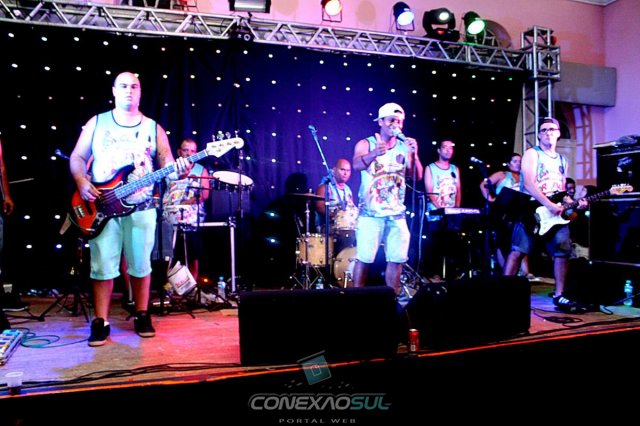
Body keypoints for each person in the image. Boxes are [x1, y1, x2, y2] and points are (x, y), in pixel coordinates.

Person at [70, 71, 190, 346]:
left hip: (142, 206)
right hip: (103, 205)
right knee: (102, 266)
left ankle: (142, 314)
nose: (128, 90)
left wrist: (180, 171)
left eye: (134, 86)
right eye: (123, 86)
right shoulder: (97, 122)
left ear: (140, 92)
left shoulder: (153, 128)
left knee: (141, 264)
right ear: (114, 91)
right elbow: (77, 156)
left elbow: (167, 165)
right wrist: (81, 181)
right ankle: (101, 321)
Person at [503, 118, 587, 313]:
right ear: (539, 135)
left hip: (554, 214)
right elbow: (529, 184)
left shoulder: (562, 160)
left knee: (562, 249)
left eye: (552, 129)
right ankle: (503, 292)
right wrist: (548, 204)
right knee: (518, 250)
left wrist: (574, 203)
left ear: (558, 133)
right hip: (532, 209)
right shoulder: (532, 154)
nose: (548, 132)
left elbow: (561, 190)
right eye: (544, 130)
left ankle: (560, 294)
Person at [351, 102, 423, 296]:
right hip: (371, 213)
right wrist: (375, 153)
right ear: (380, 121)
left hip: (396, 213)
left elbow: (416, 176)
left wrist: (414, 154)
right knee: (364, 258)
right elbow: (356, 165)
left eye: (399, 121)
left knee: (397, 259)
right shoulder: (366, 143)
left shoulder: (404, 147)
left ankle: (393, 299)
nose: (396, 125)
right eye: (392, 120)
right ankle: (355, 299)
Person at [162, 138, 210, 282]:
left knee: (192, 254)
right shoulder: (170, 168)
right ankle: (169, 286)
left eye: (192, 151)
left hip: (191, 219)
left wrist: (187, 202)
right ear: (179, 152)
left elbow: (205, 194)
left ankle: (192, 285)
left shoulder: (201, 170)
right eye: (185, 150)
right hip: (170, 217)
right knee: (170, 254)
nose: (189, 153)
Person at [479, 153, 533, 277]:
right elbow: (483, 185)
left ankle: (525, 272)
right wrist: (491, 199)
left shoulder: (525, 177)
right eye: (515, 161)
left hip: (520, 213)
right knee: (502, 243)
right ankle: (506, 273)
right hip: (503, 214)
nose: (518, 164)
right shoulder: (502, 174)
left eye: (520, 161)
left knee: (521, 243)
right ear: (508, 164)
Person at [423, 140, 461, 281]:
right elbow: (430, 191)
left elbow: (458, 190)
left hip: (452, 215)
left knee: (451, 245)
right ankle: (434, 274)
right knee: (436, 244)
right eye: (445, 147)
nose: (448, 150)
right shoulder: (430, 168)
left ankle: (452, 274)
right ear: (439, 150)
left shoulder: (455, 169)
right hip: (436, 214)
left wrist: (456, 209)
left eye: (451, 148)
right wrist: (441, 209)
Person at [315, 158, 357, 254]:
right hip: (329, 227)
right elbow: (319, 207)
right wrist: (335, 215)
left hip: (346, 228)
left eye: (348, 171)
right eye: (342, 170)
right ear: (334, 170)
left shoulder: (348, 189)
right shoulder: (325, 187)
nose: (345, 173)